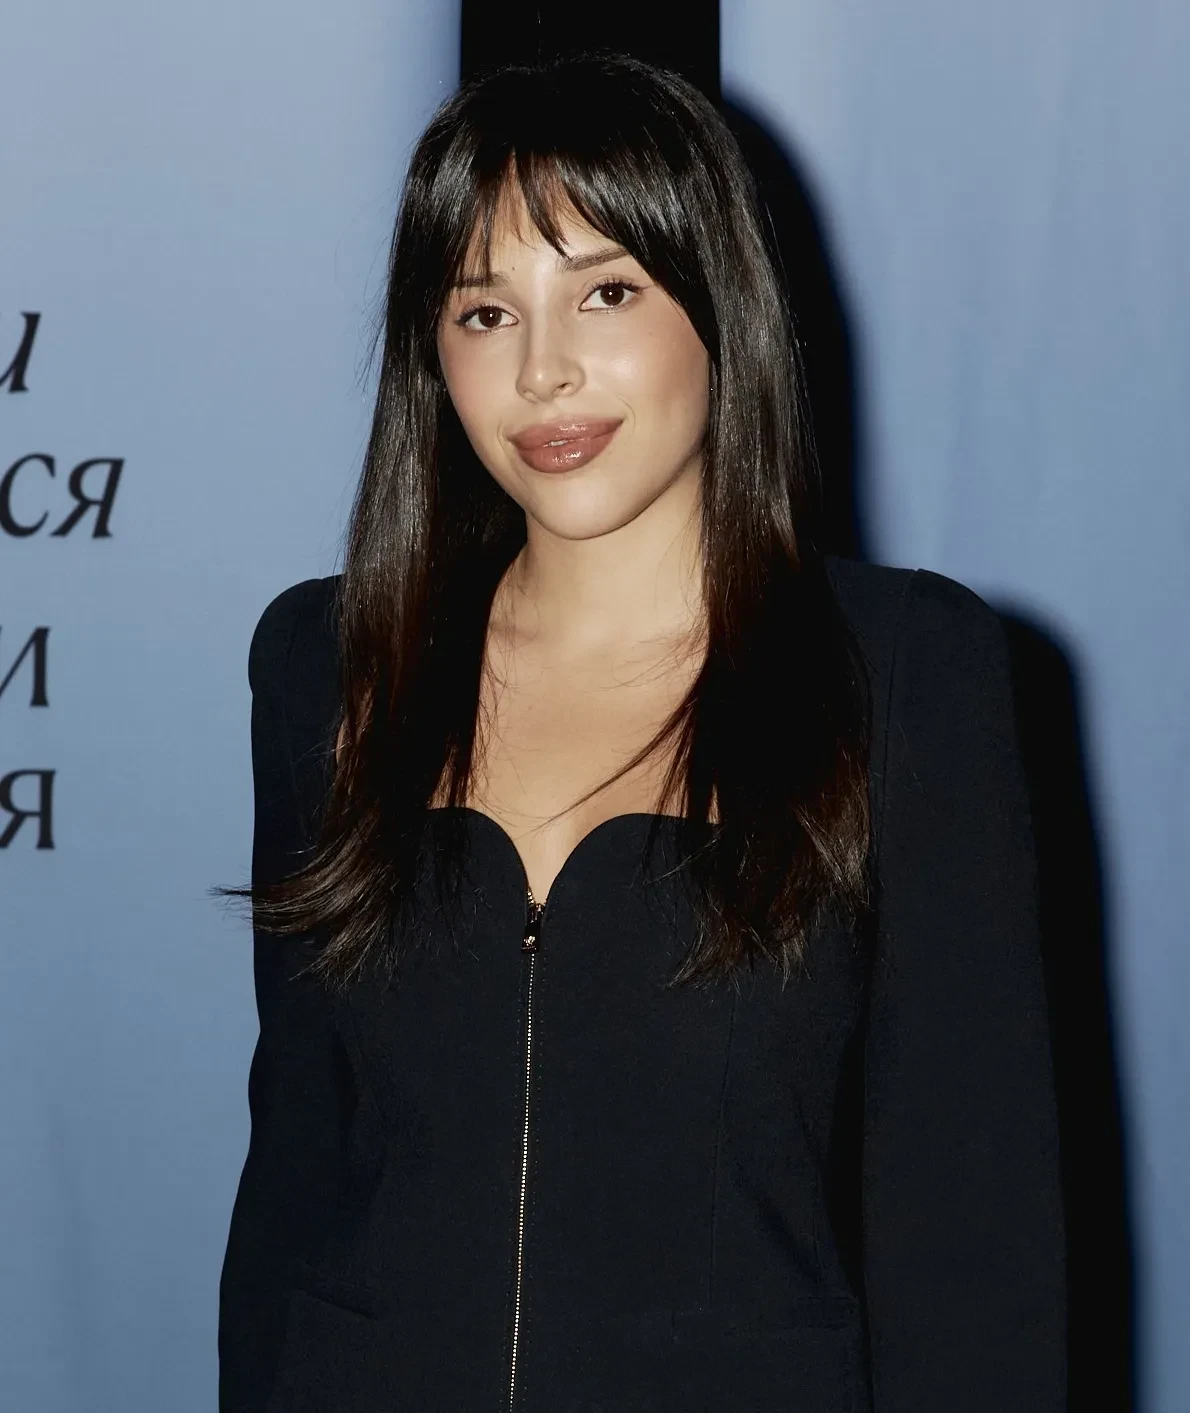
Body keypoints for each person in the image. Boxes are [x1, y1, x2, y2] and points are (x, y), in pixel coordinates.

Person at [217, 52, 1066, 1413]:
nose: (542, 371)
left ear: (719, 306)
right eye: (484, 311)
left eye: (605, 292)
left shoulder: (904, 668)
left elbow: (973, 1233)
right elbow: (295, 1170)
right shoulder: (327, 662)